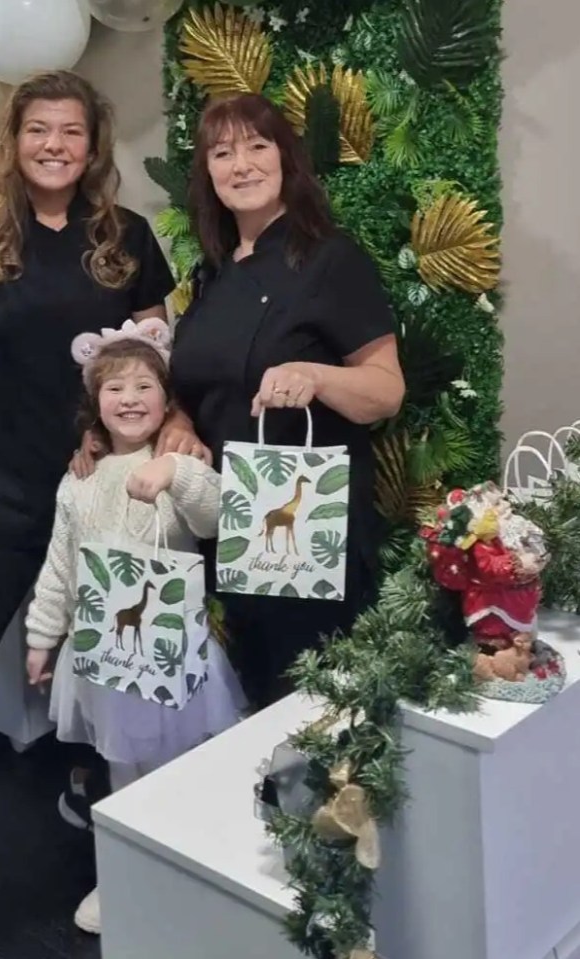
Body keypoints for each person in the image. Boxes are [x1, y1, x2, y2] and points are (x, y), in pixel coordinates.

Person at [0, 70, 206, 947]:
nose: (55, 145)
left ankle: (98, 782)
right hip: (8, 483)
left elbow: (154, 361)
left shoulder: (126, 238)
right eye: (38, 131)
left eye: (72, 133)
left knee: (112, 653)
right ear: (12, 143)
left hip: (106, 487)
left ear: (93, 147)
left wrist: (170, 433)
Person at [170, 93, 406, 708]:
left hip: (310, 541)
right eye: (222, 152)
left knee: (315, 711)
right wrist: (177, 423)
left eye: (257, 146)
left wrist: (316, 375)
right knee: (257, 697)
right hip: (233, 530)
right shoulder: (212, 273)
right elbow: (195, 387)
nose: (240, 164)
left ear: (286, 159)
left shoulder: (331, 258)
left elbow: (386, 391)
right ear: (208, 172)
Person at [24, 319, 245, 934]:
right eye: (115, 387)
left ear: (167, 399)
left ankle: (188, 868)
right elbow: (61, 564)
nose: (129, 398)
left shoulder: (178, 460)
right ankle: (122, 872)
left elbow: (218, 514)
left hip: (172, 648)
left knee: (180, 768)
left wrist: (176, 473)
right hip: (106, 656)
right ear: (95, 403)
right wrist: (43, 637)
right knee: (121, 772)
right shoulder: (81, 478)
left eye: (144, 385)